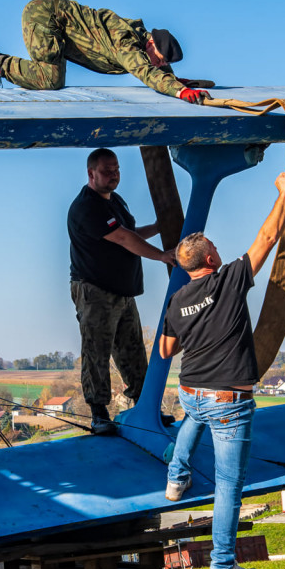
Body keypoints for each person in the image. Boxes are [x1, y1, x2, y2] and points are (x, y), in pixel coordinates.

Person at [158, 172, 285, 569]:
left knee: (192, 421)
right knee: (229, 486)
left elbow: (165, 350)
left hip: (191, 391)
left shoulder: (178, 299)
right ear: (209, 259)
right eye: (214, 246)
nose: (219, 248)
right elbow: (268, 237)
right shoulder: (231, 280)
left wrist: (194, 326)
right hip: (227, 401)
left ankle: (176, 478)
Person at [69, 148, 175, 435]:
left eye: (116, 169)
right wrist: (164, 256)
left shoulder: (115, 201)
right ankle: (98, 413)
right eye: (107, 170)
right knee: (97, 350)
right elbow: (124, 238)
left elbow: (132, 233)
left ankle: (145, 408)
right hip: (95, 291)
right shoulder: (87, 207)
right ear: (91, 174)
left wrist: (157, 227)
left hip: (123, 291)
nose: (114, 174)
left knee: (133, 350)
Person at [0, 0, 211, 104]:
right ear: (151, 44)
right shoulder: (125, 41)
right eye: (158, 59)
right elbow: (144, 70)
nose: (158, 65)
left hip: (53, 20)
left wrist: (174, 80)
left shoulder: (144, 43)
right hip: (45, 17)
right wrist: (179, 91)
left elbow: (154, 66)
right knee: (50, 78)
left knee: (52, 76)